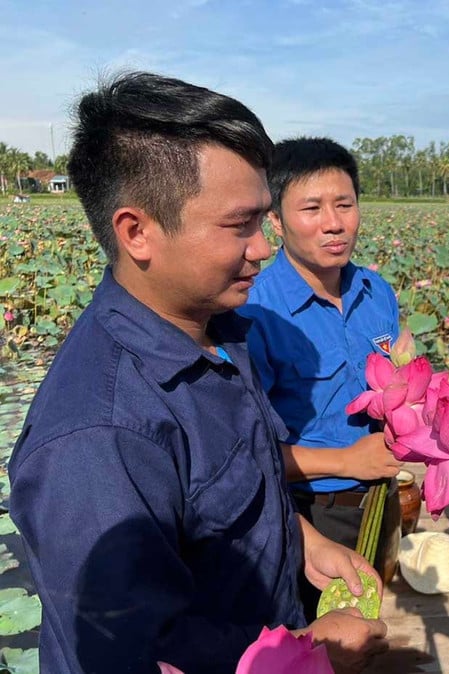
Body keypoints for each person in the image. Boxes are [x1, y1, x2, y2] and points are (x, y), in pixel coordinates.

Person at [8, 72, 387, 674]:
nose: (263, 248)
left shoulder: (221, 331)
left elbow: (229, 495)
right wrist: (314, 654)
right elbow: (135, 656)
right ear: (137, 232)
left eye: (263, 220)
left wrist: (303, 541)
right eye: (240, 226)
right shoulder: (98, 438)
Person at [237, 137, 402, 624]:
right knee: (318, 640)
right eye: (311, 207)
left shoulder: (378, 293)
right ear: (275, 220)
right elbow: (246, 452)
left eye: (344, 204)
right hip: (309, 512)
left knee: (367, 629)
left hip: (382, 498)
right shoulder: (255, 311)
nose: (334, 223)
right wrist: (349, 459)